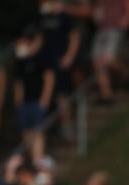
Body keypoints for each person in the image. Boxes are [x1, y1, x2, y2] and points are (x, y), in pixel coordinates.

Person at [38, 0, 80, 141]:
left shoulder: (64, 17)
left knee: (62, 95)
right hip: (47, 62)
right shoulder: (44, 18)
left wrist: (69, 57)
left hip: (61, 61)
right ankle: (59, 127)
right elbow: (40, 39)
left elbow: (75, 37)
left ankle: (67, 126)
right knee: (53, 95)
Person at [13, 27, 54, 162]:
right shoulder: (20, 62)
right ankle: (33, 159)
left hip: (38, 101)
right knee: (26, 133)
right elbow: (18, 84)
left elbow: (49, 79)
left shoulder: (41, 58)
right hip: (25, 103)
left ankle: (38, 159)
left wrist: (45, 99)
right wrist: (18, 103)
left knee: (38, 131)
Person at [92, 0, 129, 102]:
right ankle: (106, 94)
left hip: (115, 29)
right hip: (102, 29)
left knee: (109, 59)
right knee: (97, 61)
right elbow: (97, 9)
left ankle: (127, 75)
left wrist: (126, 21)